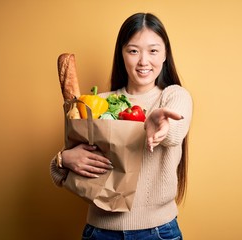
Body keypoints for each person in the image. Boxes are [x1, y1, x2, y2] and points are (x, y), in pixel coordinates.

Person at [50, 12, 193, 240]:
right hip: (99, 232)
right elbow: (61, 172)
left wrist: (159, 127)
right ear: (122, 54)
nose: (143, 61)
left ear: (165, 54)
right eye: (133, 51)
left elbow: (174, 131)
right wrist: (62, 160)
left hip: (158, 233)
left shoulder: (174, 96)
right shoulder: (97, 104)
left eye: (153, 50)